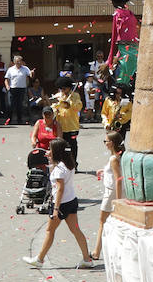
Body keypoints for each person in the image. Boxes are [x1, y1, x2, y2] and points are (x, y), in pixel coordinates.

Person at [22, 139, 96, 269]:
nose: (48, 152)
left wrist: (56, 209)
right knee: (76, 230)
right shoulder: (68, 165)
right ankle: (87, 259)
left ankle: (39, 259)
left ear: (56, 152)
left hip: (60, 204)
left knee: (50, 230)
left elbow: (60, 189)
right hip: (71, 201)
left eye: (50, 149)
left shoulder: (59, 170)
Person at [90, 131, 124, 262]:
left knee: (102, 221)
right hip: (113, 192)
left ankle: (97, 252)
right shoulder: (117, 156)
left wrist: (118, 200)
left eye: (106, 141)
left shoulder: (113, 158)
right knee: (109, 222)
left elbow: (118, 179)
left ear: (112, 143)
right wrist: (103, 171)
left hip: (111, 193)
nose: (105, 143)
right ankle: (99, 250)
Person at [104, 0, 140, 87]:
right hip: (135, 52)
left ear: (114, 0)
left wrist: (109, 62)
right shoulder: (131, 15)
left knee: (121, 85)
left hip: (125, 53)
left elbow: (114, 39)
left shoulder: (118, 14)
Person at [51, 78, 84, 169]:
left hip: (72, 126)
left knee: (72, 146)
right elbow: (53, 107)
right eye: (61, 89)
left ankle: (73, 164)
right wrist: (55, 107)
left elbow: (78, 107)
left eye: (64, 89)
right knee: (60, 146)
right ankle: (62, 164)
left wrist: (70, 103)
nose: (63, 91)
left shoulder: (75, 96)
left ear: (69, 88)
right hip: (60, 126)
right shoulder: (58, 96)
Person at [5, 55, 33, 125]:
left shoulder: (25, 68)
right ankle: (9, 119)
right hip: (12, 89)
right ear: (14, 62)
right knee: (10, 105)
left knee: (19, 105)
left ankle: (19, 119)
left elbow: (31, 76)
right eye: (17, 61)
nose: (18, 63)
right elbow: (6, 79)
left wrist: (32, 73)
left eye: (20, 61)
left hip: (22, 89)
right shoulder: (10, 69)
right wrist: (7, 86)